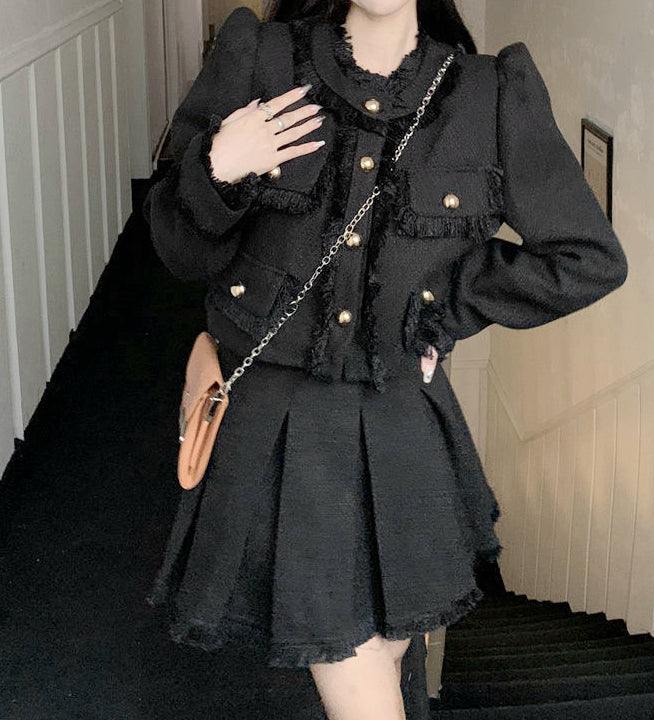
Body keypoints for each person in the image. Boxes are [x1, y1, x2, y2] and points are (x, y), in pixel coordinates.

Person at [142, 1, 628, 718]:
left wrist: (440, 307)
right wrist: (219, 167)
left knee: (391, 655)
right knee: (365, 674)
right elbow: (182, 254)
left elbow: (587, 258)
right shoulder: (259, 56)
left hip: (402, 428)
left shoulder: (490, 93)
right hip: (283, 432)